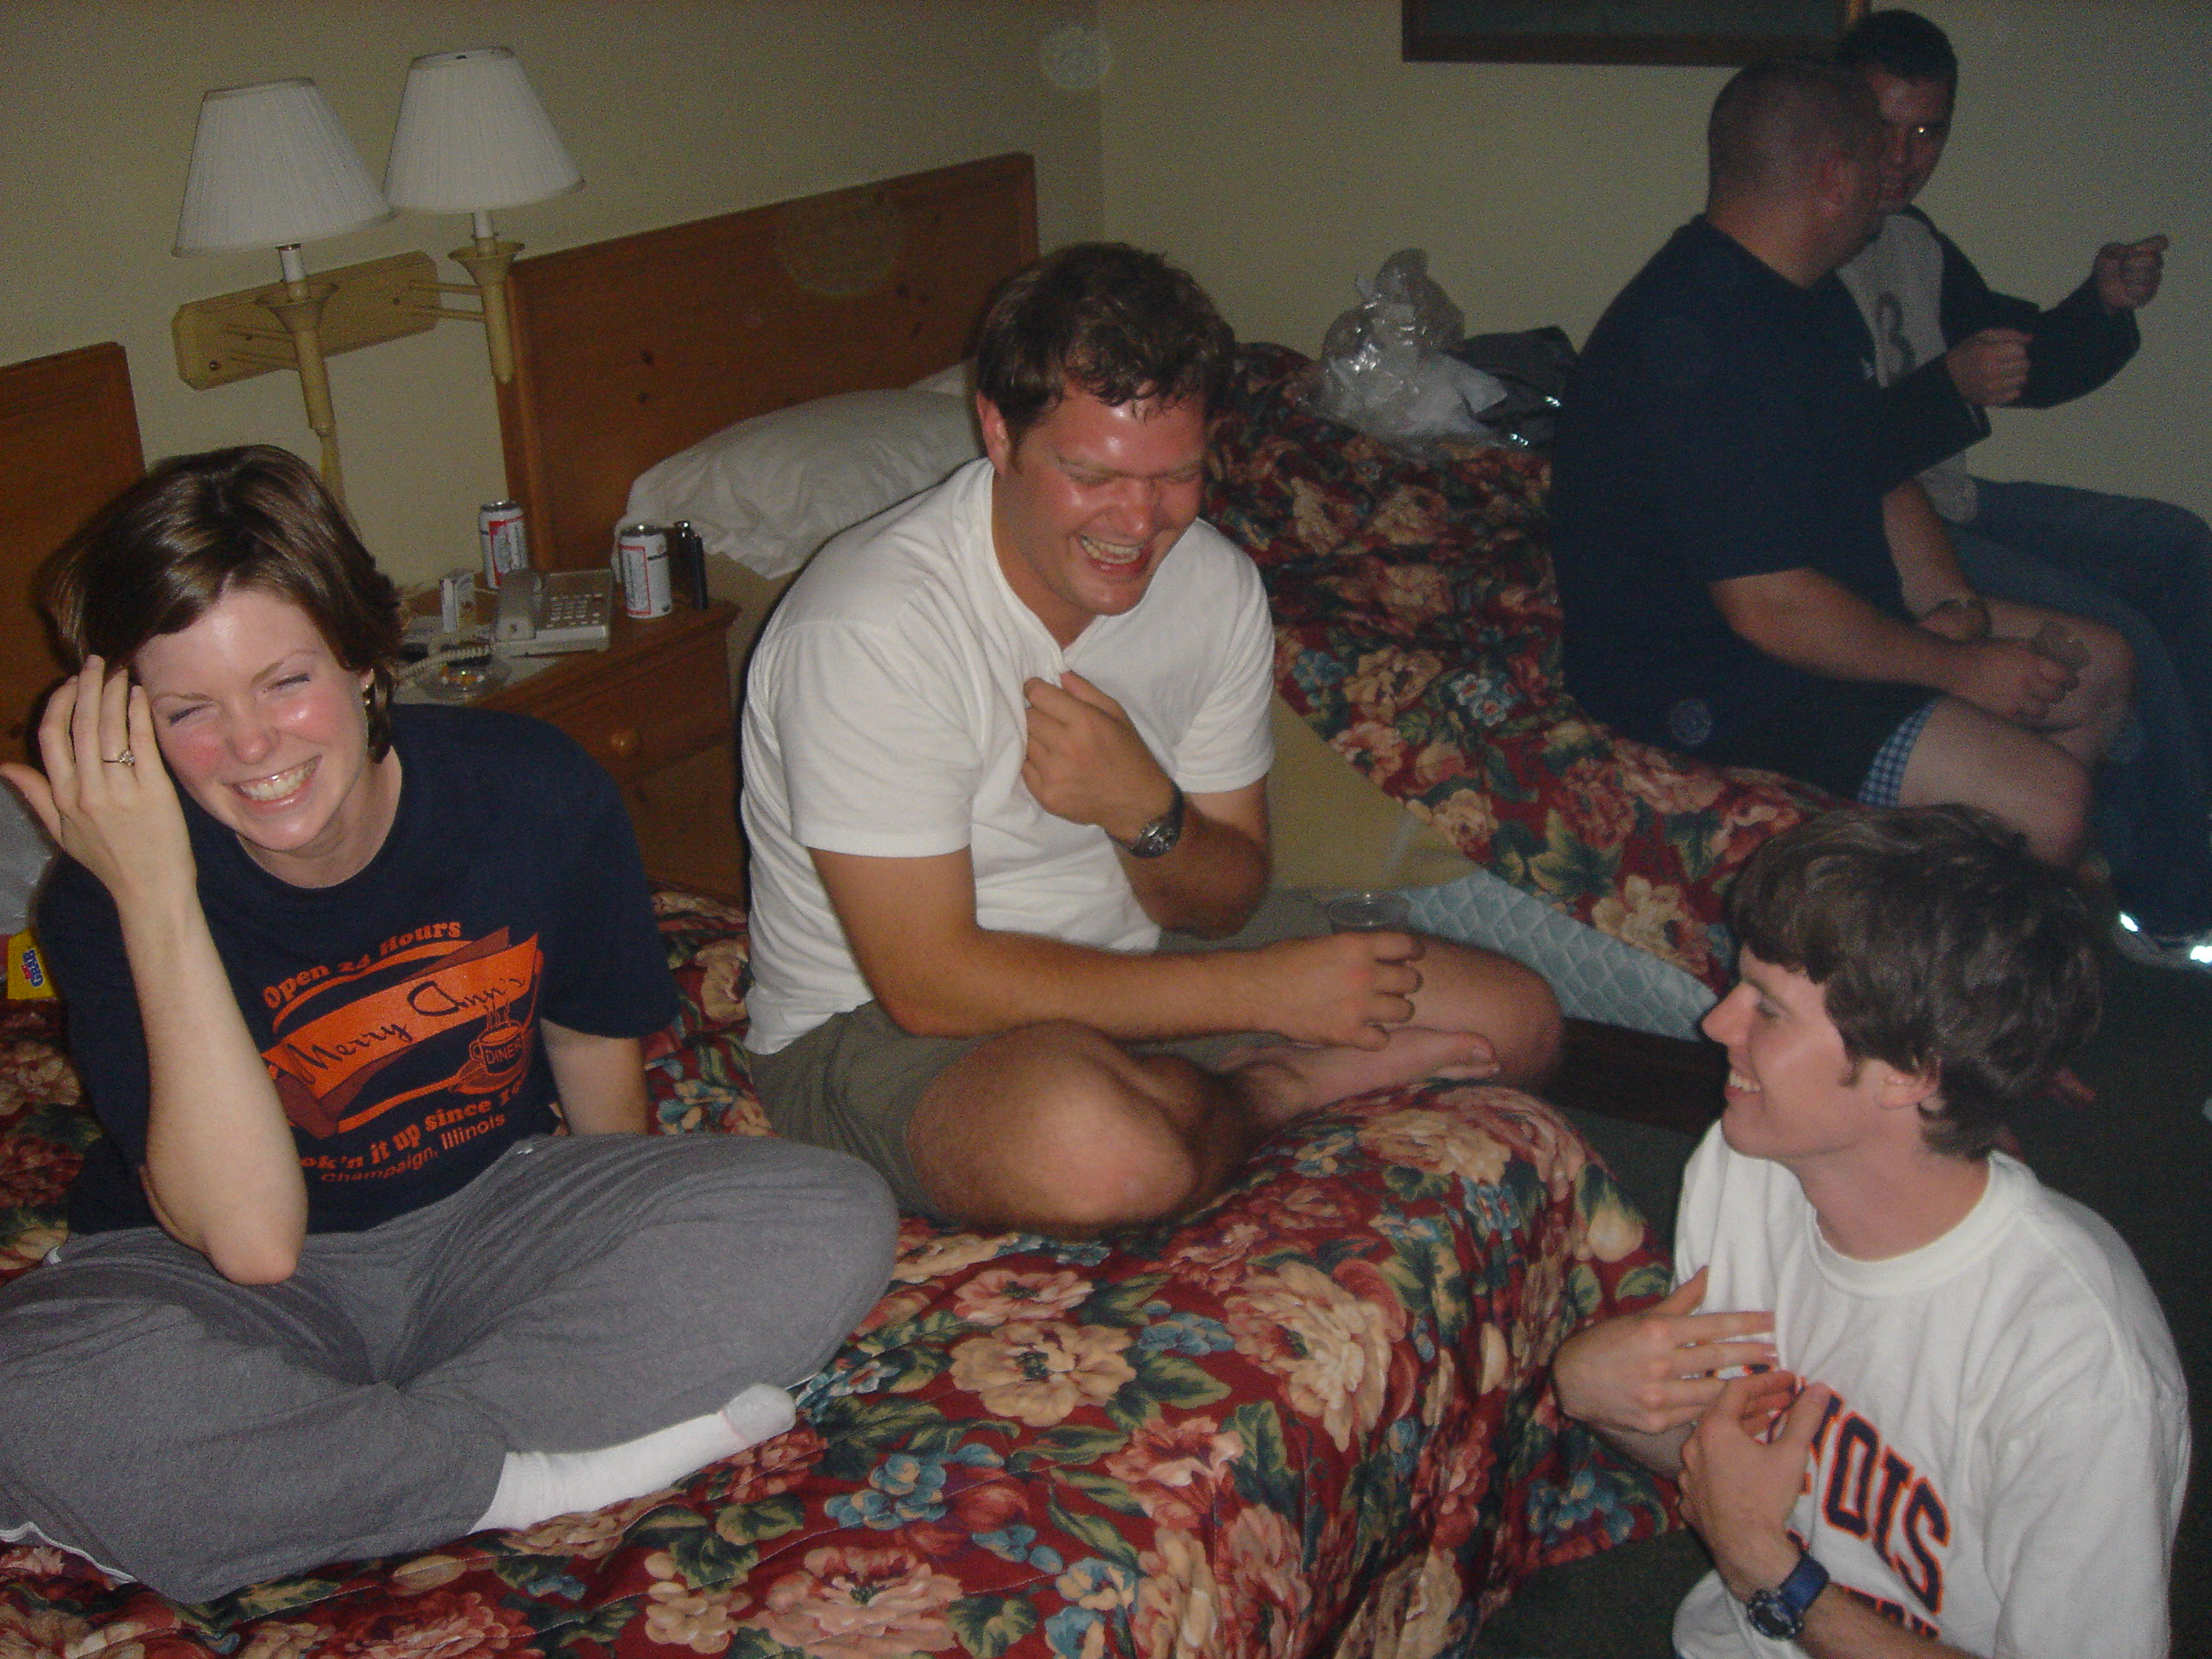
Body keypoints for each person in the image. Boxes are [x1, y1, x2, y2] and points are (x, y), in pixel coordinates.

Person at [0, 446, 897, 1602]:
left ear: (366, 660)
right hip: (221, 1287)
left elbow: (593, 1061)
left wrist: (607, 1246)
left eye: (285, 681)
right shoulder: (106, 899)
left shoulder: (529, 788)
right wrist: (156, 891)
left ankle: (352, 1468)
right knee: (28, 1390)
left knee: (826, 1214)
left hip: (488, 1216)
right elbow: (254, 1245)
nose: (252, 746)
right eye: (189, 712)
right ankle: (514, 1479)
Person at [739, 242, 1562, 1237]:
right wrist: (1262, 996)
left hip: (1136, 947)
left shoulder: (1213, 584)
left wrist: (1146, 815)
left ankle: (1180, 1092)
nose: (1137, 524)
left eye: (1175, 475)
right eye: (1091, 474)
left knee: (1514, 1022)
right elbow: (928, 984)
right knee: (1097, 1154)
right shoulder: (869, 627)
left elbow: (1226, 898)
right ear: (997, 430)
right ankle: (1268, 1089)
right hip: (884, 1026)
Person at [1555, 805, 2188, 1657]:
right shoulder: (1745, 1169)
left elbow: (1751, 1538)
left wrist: (1774, 1576)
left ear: (1909, 1073)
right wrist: (1596, 1394)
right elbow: (1733, 1472)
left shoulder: (2076, 1367)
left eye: (1768, 1009)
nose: (1716, 1024)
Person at [1550, 59, 2135, 875]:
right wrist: (1959, 669)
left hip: (1814, 621)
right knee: (2051, 803)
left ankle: (1987, 899)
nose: (1893, 177)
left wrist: (1952, 604)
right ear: (1834, 178)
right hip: (1713, 679)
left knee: (2099, 666)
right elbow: (1769, 607)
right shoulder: (1697, 333)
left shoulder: (1807, 295)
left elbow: (1879, 471)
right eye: (1876, 158)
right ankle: (1982, 917)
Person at [1834, 7, 2212, 963]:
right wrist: (1945, 388)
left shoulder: (1913, 239)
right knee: (2120, 640)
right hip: (1882, 525)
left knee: (2178, 545)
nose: (1905, 156)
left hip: (1957, 495)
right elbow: (1816, 458)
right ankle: (2171, 905)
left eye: (1929, 131)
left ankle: (2186, 814)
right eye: (1884, 127)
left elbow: (2019, 359)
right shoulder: (1801, 248)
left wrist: (2101, 305)